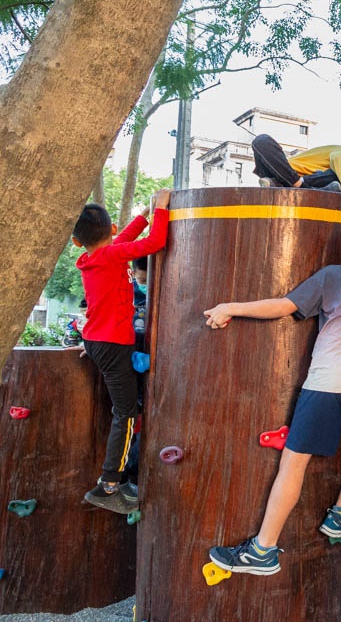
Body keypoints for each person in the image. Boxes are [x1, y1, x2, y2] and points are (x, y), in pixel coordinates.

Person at [205, 224, 341, 576]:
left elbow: (284, 306)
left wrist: (229, 307)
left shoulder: (333, 276)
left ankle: (263, 549)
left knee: (294, 463)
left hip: (328, 381)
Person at [73, 190, 170, 513]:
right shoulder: (112, 255)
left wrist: (143, 215)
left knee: (128, 408)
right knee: (126, 414)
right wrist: (160, 210)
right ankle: (109, 486)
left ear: (77, 242)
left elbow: (125, 239)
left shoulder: (100, 256)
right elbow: (155, 243)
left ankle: (121, 478)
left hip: (98, 341)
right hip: (112, 345)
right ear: (111, 228)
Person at [251, 133, 341, 208]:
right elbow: (337, 157)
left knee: (337, 183)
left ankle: (285, 185)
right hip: (282, 172)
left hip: (276, 183)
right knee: (261, 140)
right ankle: (299, 185)